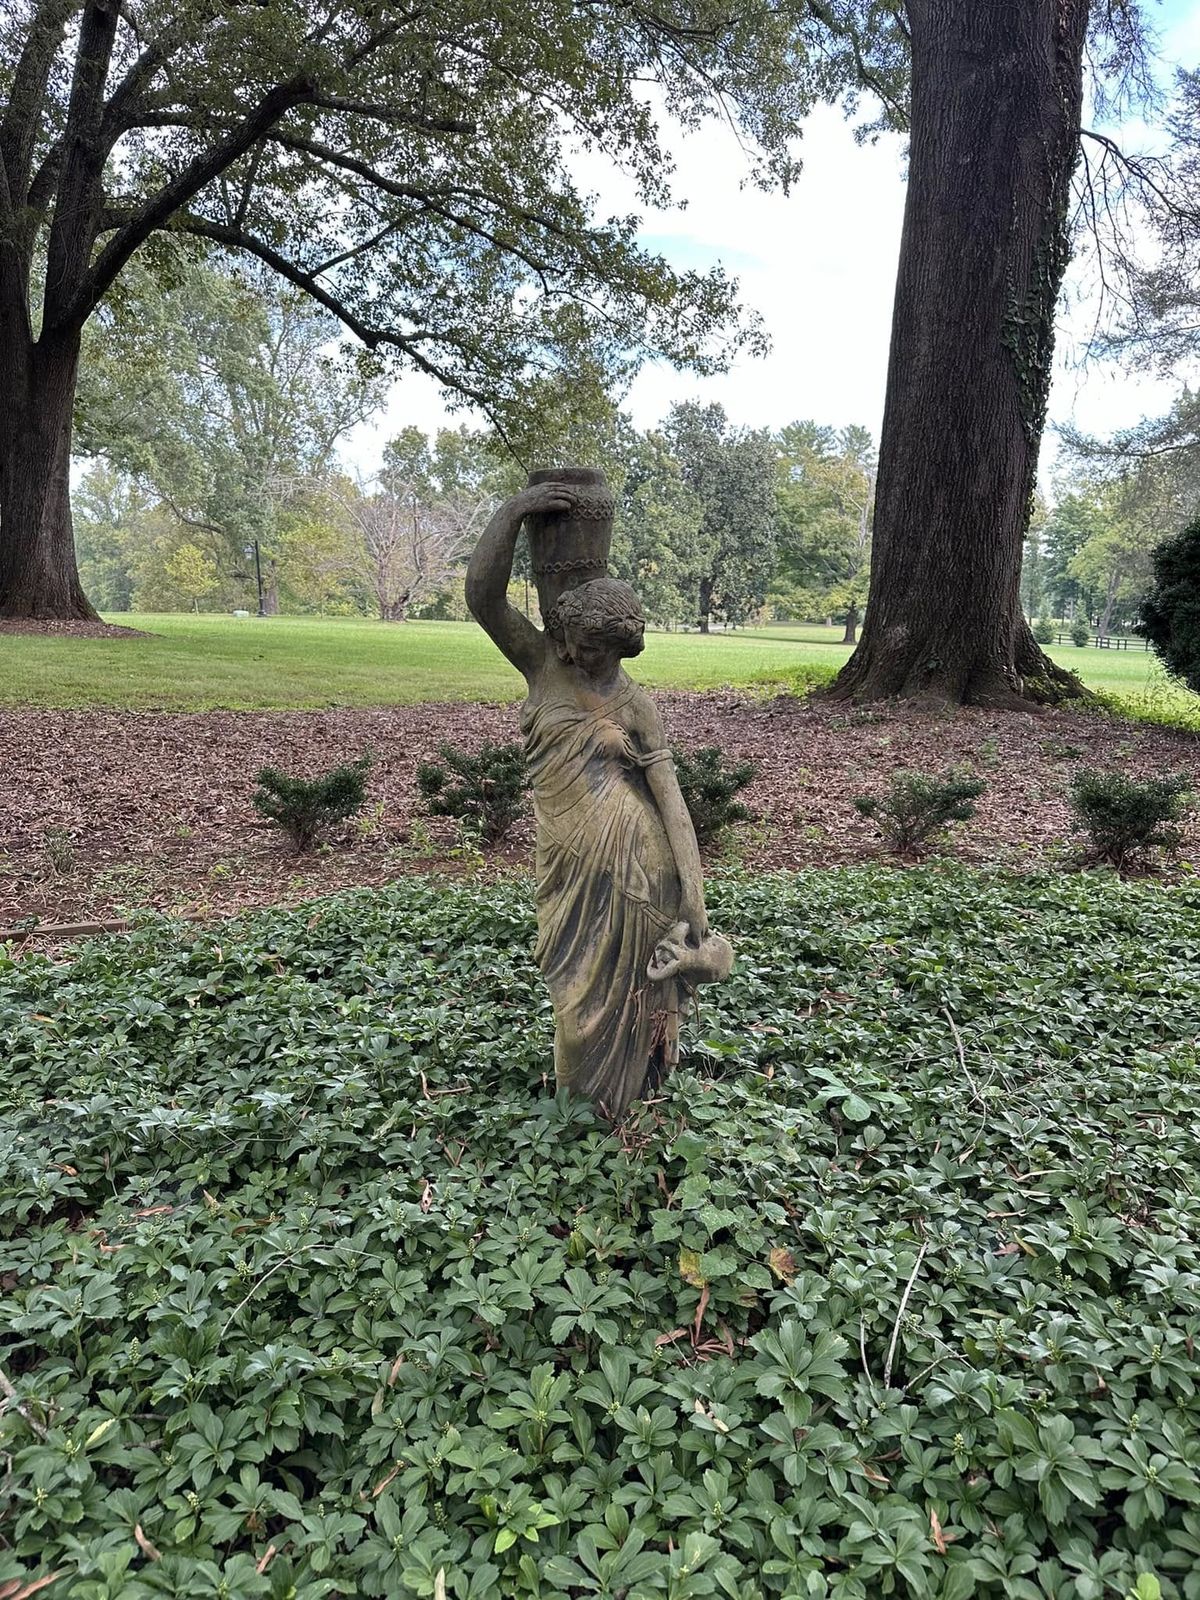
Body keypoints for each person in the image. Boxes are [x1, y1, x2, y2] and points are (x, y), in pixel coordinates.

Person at [465, 481, 730, 1120]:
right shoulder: (543, 665)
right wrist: (511, 511)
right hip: (568, 858)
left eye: (584, 646)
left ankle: (632, 1102)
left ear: (615, 648)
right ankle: (578, 1112)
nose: (567, 651)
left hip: (640, 868)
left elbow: (671, 805)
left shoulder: (639, 708)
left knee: (642, 986)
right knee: (573, 990)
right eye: (566, 637)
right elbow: (484, 599)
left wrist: (694, 903)